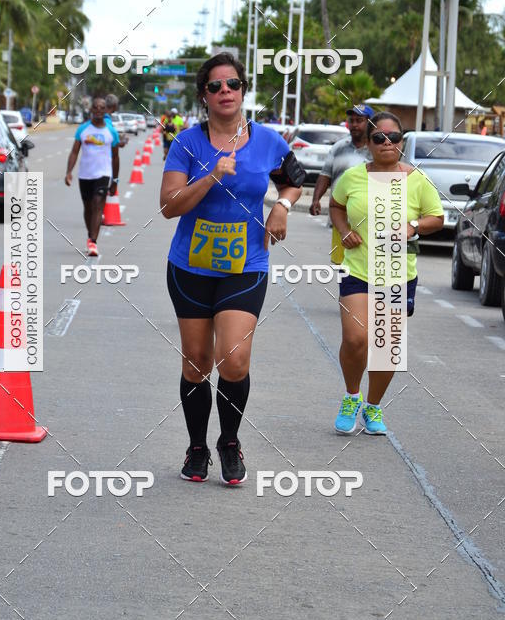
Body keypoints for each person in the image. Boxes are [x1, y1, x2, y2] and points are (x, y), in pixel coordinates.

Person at [160, 52, 305, 485]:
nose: (226, 92)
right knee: (197, 362)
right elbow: (169, 206)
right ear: (203, 96)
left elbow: (296, 179)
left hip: (247, 264)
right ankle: (197, 446)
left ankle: (228, 441)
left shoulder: (268, 141)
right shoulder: (187, 143)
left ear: (244, 90)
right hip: (191, 266)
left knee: (234, 359)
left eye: (233, 84)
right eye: (215, 86)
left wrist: (281, 205)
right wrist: (209, 176)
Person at [329, 111, 444, 436]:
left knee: (386, 347)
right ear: (368, 143)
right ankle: (352, 395)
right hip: (357, 269)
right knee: (355, 339)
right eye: (379, 137)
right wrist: (343, 230)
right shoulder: (352, 176)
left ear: (402, 142)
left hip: (396, 273)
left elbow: (436, 217)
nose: (387, 143)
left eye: (393, 137)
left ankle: (374, 406)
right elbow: (336, 206)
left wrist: (413, 226)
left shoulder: (416, 179)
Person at [309, 104, 374, 265]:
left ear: (370, 123)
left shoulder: (377, 149)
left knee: (369, 268)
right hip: (341, 220)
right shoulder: (339, 147)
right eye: (351, 121)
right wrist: (316, 199)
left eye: (359, 120)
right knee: (343, 268)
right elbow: (325, 175)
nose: (355, 125)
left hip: (371, 220)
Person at [65, 95, 120, 256]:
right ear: (91, 110)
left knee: (98, 204)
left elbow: (116, 157)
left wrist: (115, 180)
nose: (98, 110)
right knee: (88, 208)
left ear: (106, 111)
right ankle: (90, 235)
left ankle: (93, 242)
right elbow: (74, 152)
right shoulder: (83, 129)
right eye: (95, 107)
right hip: (85, 175)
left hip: (104, 174)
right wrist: (69, 172)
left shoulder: (111, 131)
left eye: (102, 108)